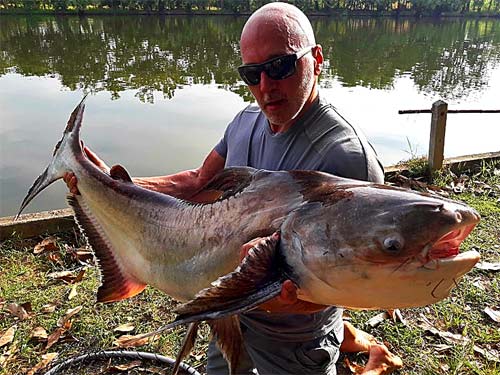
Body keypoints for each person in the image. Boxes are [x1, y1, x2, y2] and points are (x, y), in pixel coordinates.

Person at [64, 3, 403, 374]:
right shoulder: (245, 121)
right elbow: (196, 182)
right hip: (229, 315)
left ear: (317, 59)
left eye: (280, 67)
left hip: (294, 341)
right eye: (252, 73)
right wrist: (110, 184)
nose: (265, 86)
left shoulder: (346, 160)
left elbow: (350, 285)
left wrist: (242, 292)